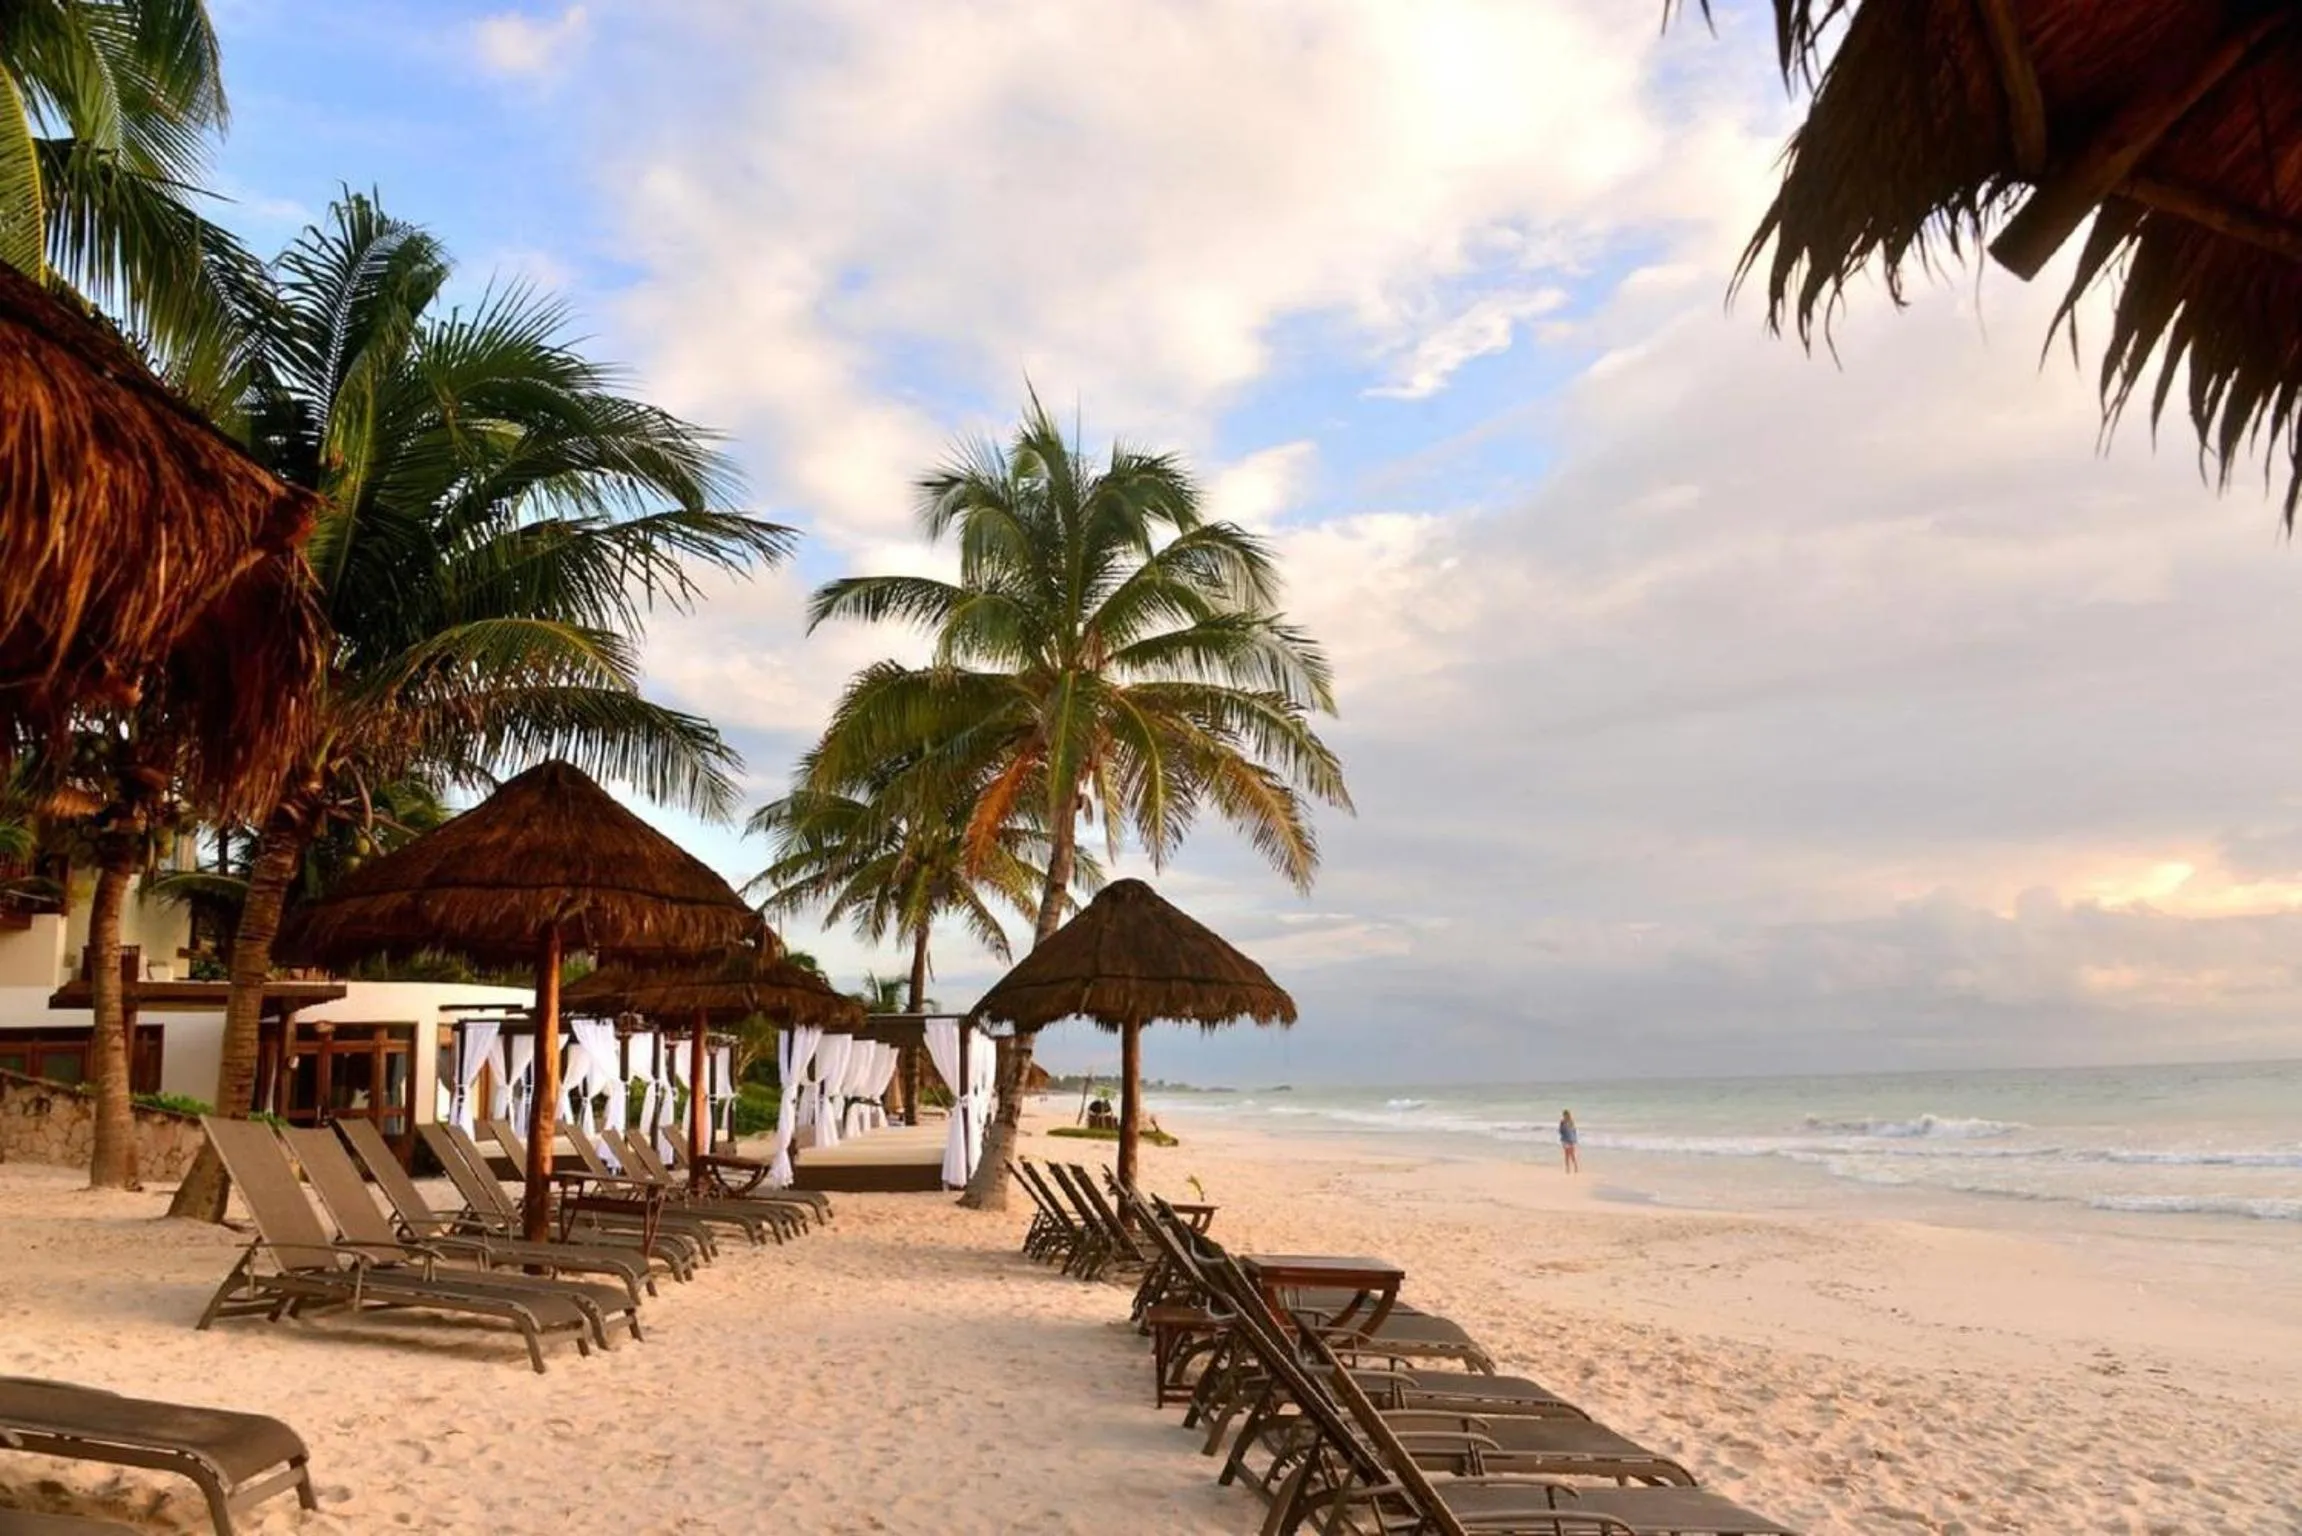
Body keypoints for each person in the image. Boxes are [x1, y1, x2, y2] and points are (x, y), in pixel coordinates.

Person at [1558, 1109, 1579, 1174]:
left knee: (1572, 1154)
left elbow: (1574, 1131)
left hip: (1571, 1140)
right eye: (1564, 1115)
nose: (1564, 1116)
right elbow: (1560, 1131)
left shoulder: (1571, 1122)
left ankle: (1575, 1166)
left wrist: (1575, 1139)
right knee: (1566, 1155)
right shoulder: (1562, 1122)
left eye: (1565, 1115)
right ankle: (1568, 1168)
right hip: (1565, 1140)